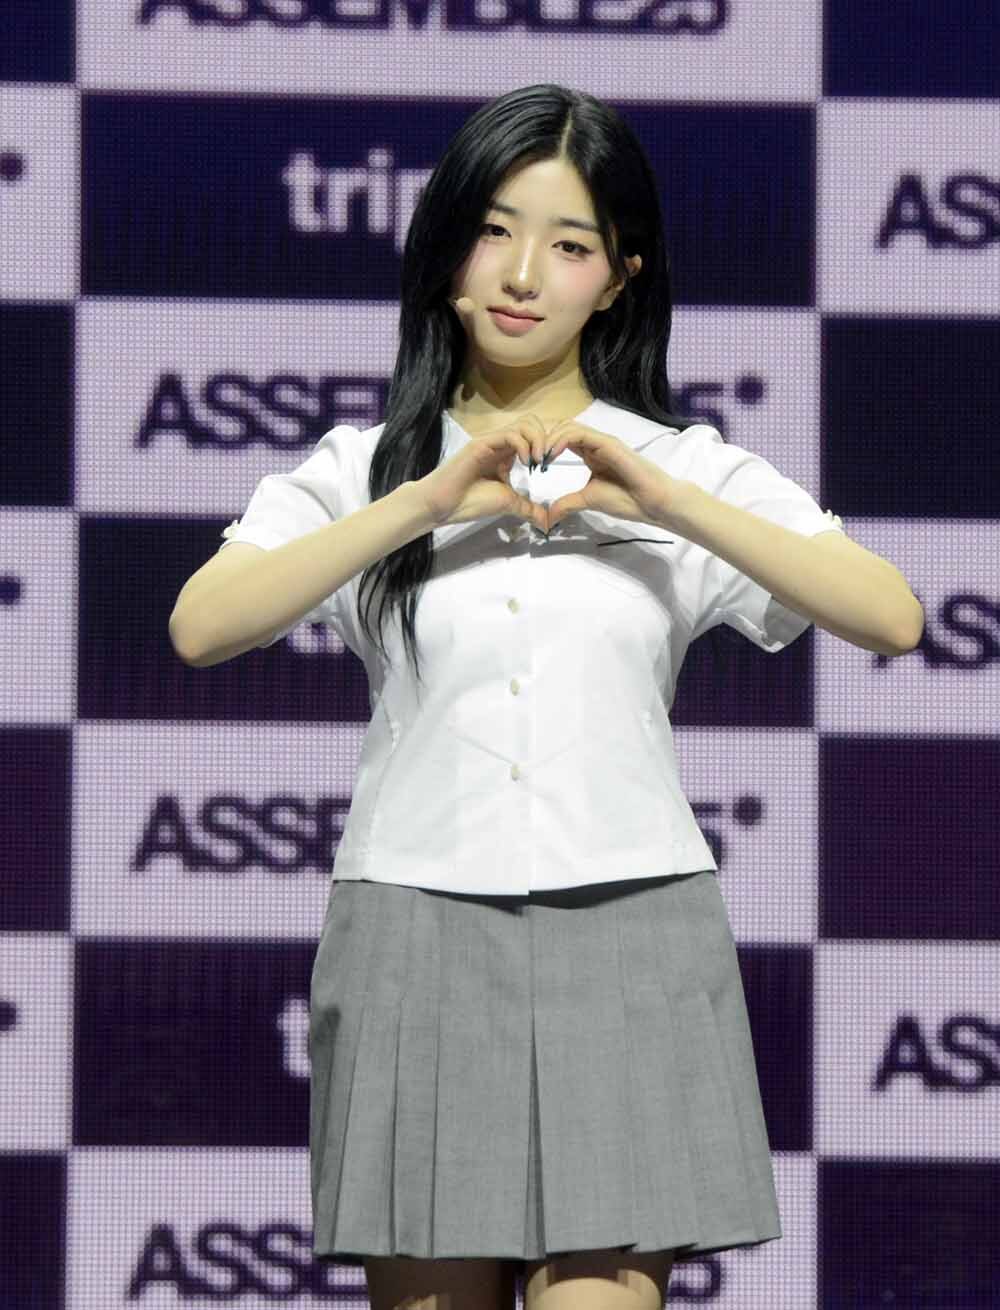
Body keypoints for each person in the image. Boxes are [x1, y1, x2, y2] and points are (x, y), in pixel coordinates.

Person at [170, 85, 922, 1310]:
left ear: (619, 277)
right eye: (494, 230)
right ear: (445, 247)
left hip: (630, 926)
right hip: (416, 927)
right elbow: (202, 624)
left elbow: (891, 615)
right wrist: (423, 500)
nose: (524, 274)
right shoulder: (363, 468)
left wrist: (665, 500)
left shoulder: (679, 467)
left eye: (570, 245)